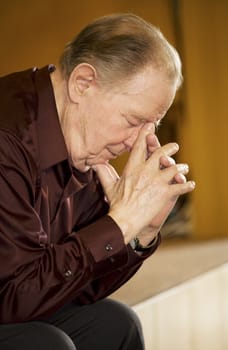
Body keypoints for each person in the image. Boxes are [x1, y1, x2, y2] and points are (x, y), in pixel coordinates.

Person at [0, 13, 195, 350]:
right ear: (83, 84)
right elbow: (14, 297)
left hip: (15, 301)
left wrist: (140, 232)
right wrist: (119, 223)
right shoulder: (8, 136)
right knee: (45, 345)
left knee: (115, 324)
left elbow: (77, 288)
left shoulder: (83, 139)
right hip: (9, 299)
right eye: (134, 121)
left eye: (152, 126)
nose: (138, 142)